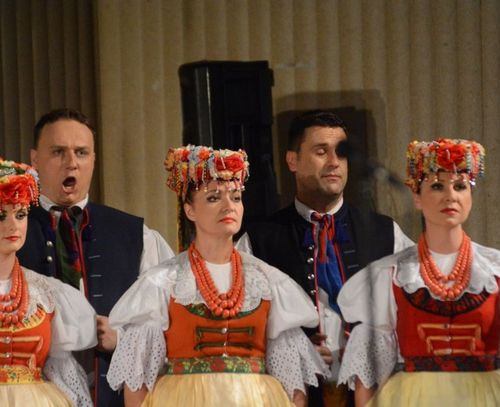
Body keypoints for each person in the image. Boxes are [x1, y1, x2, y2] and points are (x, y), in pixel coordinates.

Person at [106, 145, 330, 407]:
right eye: (214, 198)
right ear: (190, 210)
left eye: (236, 197)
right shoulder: (163, 282)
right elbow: (138, 382)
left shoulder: (268, 281)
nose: (228, 206)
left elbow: (293, 385)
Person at [337, 138, 500, 406]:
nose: (450, 196)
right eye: (436, 186)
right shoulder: (391, 274)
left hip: (488, 396)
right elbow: (368, 377)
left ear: (470, 197)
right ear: (416, 198)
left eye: (460, 186)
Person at [236, 110, 413, 406]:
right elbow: (240, 325)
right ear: (292, 160)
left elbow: (413, 310)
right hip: (294, 395)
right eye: (321, 151)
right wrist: (294, 350)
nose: (334, 162)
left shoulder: (385, 232)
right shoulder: (259, 240)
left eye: (340, 153)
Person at [17, 108, 174, 406]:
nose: (72, 162)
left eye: (81, 152)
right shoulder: (10, 232)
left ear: (93, 159)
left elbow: (169, 329)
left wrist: (121, 339)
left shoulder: (135, 236)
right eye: (58, 152)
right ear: (35, 160)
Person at [0, 157, 96, 406]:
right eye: (1, 216)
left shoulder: (46, 294)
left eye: (20, 214)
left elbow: (62, 370)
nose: (13, 225)